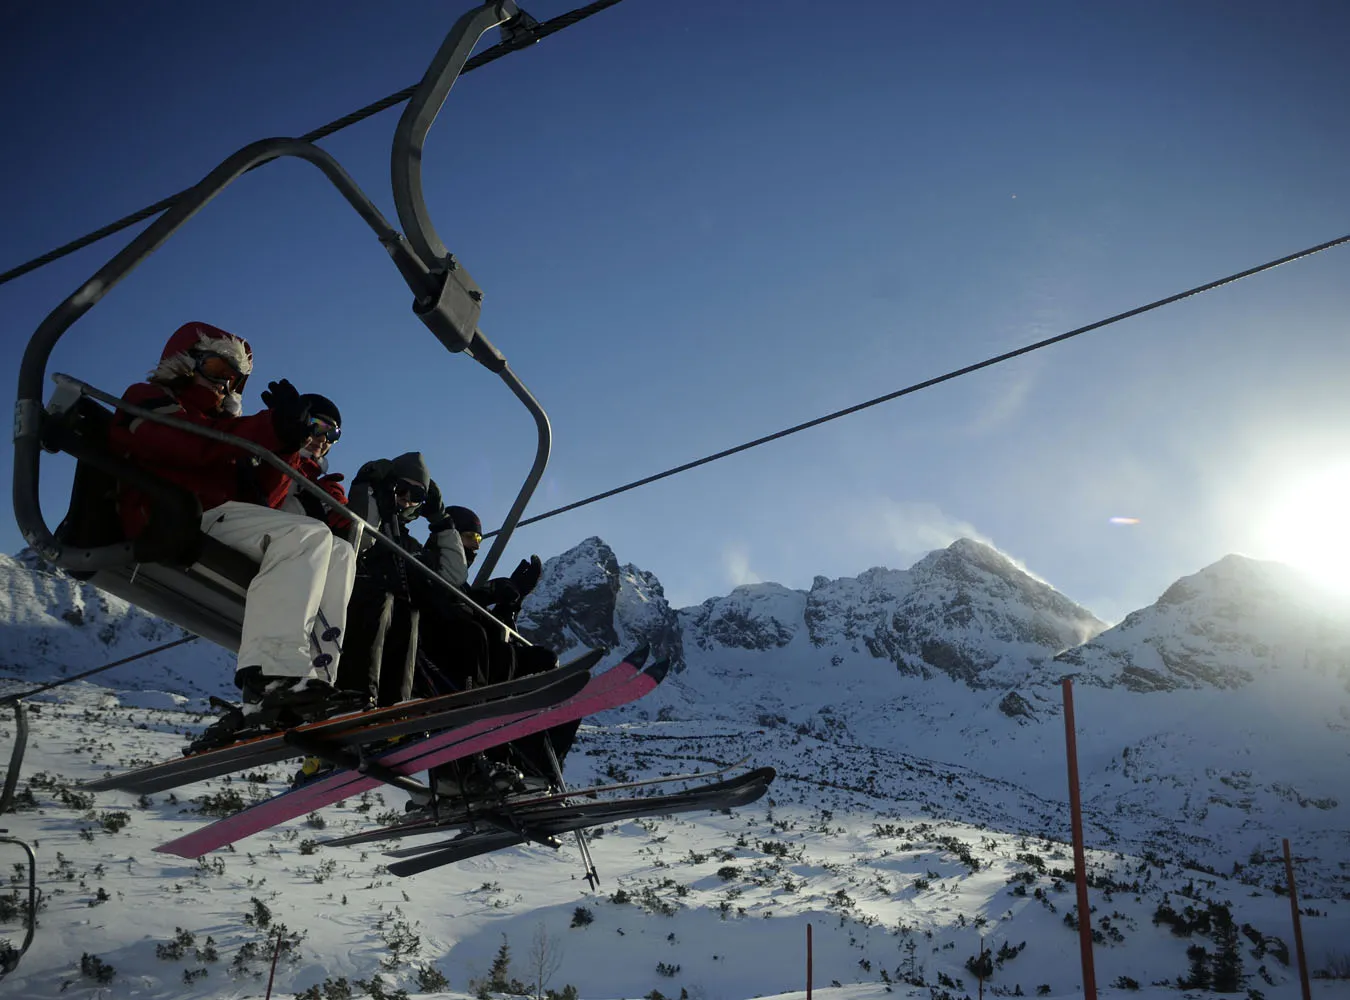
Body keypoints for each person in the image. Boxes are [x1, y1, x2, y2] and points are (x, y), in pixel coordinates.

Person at [108, 321, 358, 739]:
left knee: (339, 551)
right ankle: (270, 677)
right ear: (184, 362)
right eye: (217, 370)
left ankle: (313, 680)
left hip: (219, 514)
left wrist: (286, 444)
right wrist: (270, 428)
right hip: (172, 511)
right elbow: (187, 444)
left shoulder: (222, 427)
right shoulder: (149, 399)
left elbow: (265, 498)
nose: (226, 385)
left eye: (234, 378)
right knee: (307, 536)